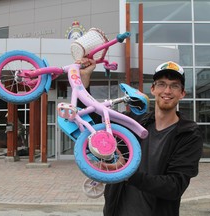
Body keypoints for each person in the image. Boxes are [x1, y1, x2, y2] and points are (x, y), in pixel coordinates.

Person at [78, 58, 203, 216]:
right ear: (153, 89)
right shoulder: (134, 122)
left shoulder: (188, 135)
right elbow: (95, 121)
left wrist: (127, 174)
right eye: (162, 84)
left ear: (182, 93)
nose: (167, 91)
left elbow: (174, 186)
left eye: (174, 86)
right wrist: (84, 79)